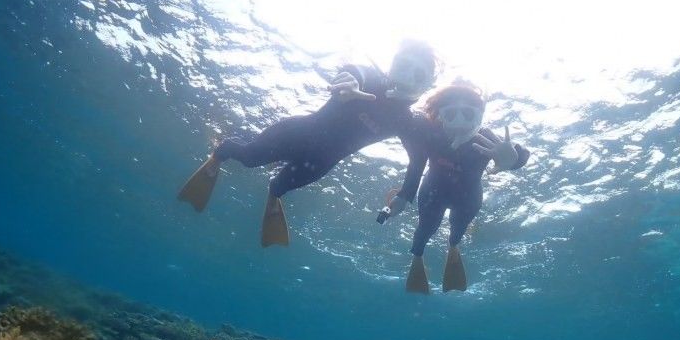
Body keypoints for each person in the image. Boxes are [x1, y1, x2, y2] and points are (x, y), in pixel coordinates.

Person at [178, 40, 439, 246]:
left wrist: (406, 196)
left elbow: (418, 160)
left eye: (418, 75)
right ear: (391, 65)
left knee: (280, 187)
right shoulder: (369, 79)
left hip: (320, 162)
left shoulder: (407, 122)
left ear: (426, 86)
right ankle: (221, 152)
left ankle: (274, 194)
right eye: (403, 66)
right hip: (294, 135)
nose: (407, 78)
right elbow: (354, 72)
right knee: (248, 158)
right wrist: (348, 82)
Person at [379, 83, 530, 293]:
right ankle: (418, 256)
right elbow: (412, 150)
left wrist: (513, 159)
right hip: (433, 192)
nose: (460, 122)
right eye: (451, 114)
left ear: (480, 116)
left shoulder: (487, 139)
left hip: (467, 197)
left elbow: (520, 153)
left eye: (468, 114)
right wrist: (404, 196)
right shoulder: (431, 134)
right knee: (424, 231)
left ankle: (453, 246)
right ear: (440, 116)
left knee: (457, 230)